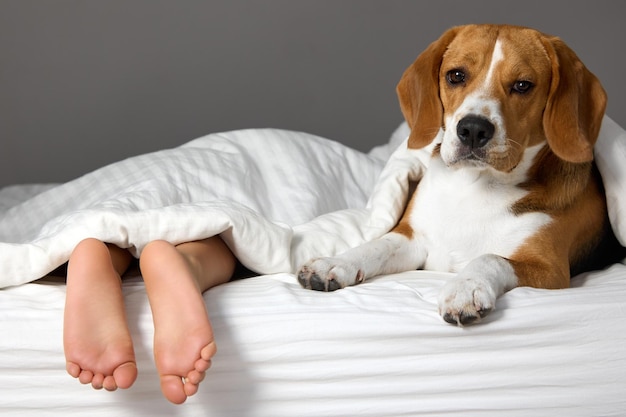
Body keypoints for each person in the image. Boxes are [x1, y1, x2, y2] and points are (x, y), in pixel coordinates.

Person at [63, 235, 237, 405]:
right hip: (180, 216)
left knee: (113, 238)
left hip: (110, 217)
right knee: (217, 244)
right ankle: (188, 262)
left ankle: (101, 261)